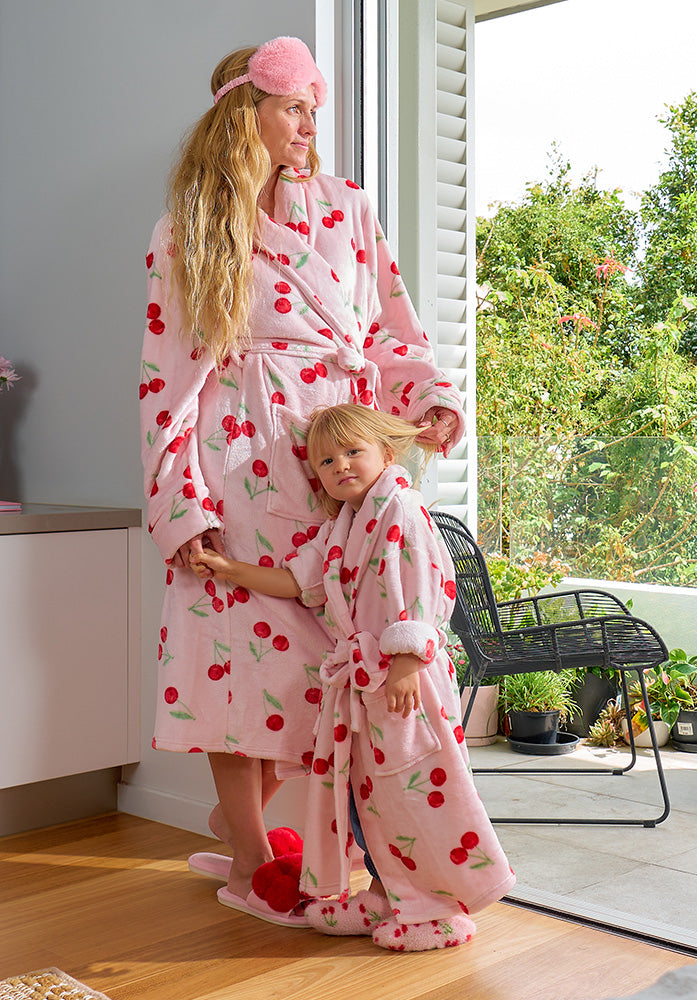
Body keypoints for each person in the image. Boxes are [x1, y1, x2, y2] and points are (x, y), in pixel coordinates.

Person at [139, 36, 464, 925]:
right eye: (294, 107)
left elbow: (391, 326)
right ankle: (252, 856)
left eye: (314, 110)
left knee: (337, 663)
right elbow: (168, 382)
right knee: (235, 663)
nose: (310, 125)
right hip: (238, 460)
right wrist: (181, 503)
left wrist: (425, 398)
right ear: (244, 114)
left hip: (338, 460)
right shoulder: (191, 229)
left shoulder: (347, 206)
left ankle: (261, 822)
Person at [191, 404, 515, 951]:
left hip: (405, 681)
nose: (339, 465)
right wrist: (231, 570)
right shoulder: (344, 526)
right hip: (365, 686)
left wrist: (407, 660)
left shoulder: (404, 510)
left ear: (386, 454)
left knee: (415, 795)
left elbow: (426, 584)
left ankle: (437, 910)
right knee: (369, 799)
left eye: (351, 452)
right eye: (325, 461)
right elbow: (297, 581)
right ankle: (387, 895)